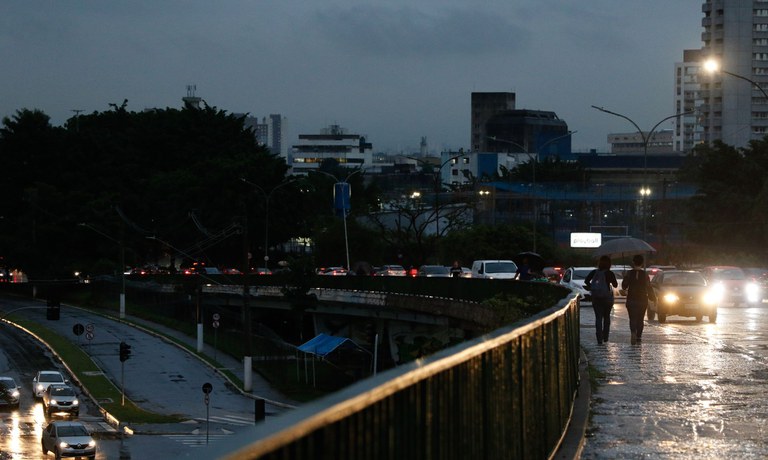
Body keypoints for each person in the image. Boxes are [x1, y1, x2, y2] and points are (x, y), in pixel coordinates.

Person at [621, 254, 656, 345]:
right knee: (640, 319)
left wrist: (625, 277)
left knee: (632, 318)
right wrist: (653, 298)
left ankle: (633, 332)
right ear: (642, 263)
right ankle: (639, 336)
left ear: (633, 262)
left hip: (631, 299)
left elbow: (624, 287)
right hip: (642, 299)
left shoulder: (629, 273)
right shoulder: (645, 275)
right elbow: (649, 287)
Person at [584, 255, 618, 345]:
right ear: (609, 264)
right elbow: (615, 285)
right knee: (607, 317)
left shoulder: (594, 272)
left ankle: (599, 339)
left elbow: (586, 281)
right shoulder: (610, 273)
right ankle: (605, 337)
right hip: (607, 298)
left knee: (598, 318)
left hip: (596, 298)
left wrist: (592, 287)